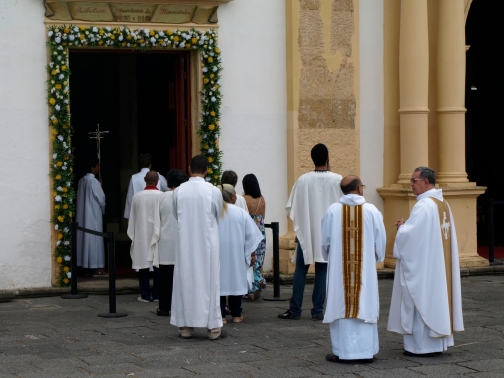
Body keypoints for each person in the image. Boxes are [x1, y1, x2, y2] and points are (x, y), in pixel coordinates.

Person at [387, 167, 464, 356]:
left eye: (414, 181)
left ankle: (421, 347)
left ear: (426, 182)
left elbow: (411, 238)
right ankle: (436, 344)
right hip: (437, 265)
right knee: (436, 299)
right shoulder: (442, 203)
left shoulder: (424, 206)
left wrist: (402, 229)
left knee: (422, 297)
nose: (411, 185)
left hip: (426, 268)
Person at [322, 176, 386, 364]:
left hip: (339, 274)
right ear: (359, 189)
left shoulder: (333, 211)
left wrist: (331, 258)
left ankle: (342, 352)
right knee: (364, 304)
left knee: (341, 303)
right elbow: (380, 242)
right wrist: (375, 257)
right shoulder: (372, 210)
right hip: (364, 270)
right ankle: (366, 351)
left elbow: (325, 243)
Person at [279, 143, 343, 320]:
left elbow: (292, 206)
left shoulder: (303, 180)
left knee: (301, 269)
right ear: (328, 158)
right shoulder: (338, 179)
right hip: (327, 233)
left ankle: (295, 309)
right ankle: (317, 311)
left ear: (312, 158)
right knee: (322, 270)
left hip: (307, 232)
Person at [171, 155, 226, 340]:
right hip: (207, 243)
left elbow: (176, 214)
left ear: (189, 168)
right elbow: (218, 214)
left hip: (185, 243)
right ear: (206, 170)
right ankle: (213, 328)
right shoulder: (213, 191)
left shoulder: (178, 191)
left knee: (185, 281)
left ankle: (185, 326)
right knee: (209, 282)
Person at [218, 184, 263, 324]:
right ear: (232, 197)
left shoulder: (214, 212)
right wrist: (252, 254)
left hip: (218, 253)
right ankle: (236, 314)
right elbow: (252, 236)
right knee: (236, 279)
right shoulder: (240, 213)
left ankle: (221, 315)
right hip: (237, 252)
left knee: (219, 281)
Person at [155, 169, 188, 316]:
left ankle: (164, 307)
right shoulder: (186, 197)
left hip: (165, 241)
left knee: (165, 278)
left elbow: (155, 220)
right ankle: (181, 307)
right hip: (182, 241)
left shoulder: (162, 198)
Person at [127, 171, 163, 302]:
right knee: (158, 264)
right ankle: (158, 294)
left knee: (143, 265)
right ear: (157, 181)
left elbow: (132, 219)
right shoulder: (162, 196)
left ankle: (145, 295)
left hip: (142, 234)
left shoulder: (137, 197)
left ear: (144, 179)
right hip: (158, 235)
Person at [76, 158, 106, 275]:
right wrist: (103, 208)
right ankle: (95, 266)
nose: (99, 168)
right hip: (93, 216)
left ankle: (84, 265)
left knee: (85, 239)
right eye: (97, 166)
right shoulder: (94, 182)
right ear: (92, 168)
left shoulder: (82, 181)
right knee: (94, 240)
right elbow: (101, 198)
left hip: (83, 216)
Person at [242, 173, 267, 299]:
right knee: (259, 260)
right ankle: (258, 284)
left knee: (249, 260)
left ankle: (250, 288)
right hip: (261, 232)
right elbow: (263, 215)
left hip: (250, 232)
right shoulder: (262, 199)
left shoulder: (244, 199)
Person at [124, 153, 168, 219]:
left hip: (139, 213)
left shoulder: (134, 178)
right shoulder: (158, 177)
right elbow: (169, 190)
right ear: (150, 165)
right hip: (156, 213)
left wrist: (129, 217)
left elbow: (130, 199)